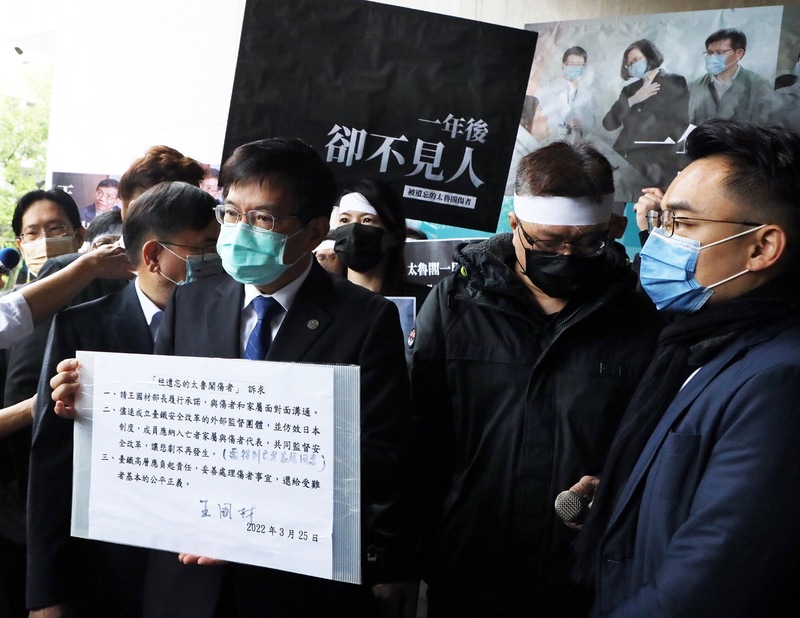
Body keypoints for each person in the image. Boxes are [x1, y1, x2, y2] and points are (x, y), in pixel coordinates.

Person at [45, 137, 416, 617]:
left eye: (262, 219)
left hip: (295, 586)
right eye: (232, 214)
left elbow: (378, 458)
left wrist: (253, 529)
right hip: (186, 577)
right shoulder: (191, 300)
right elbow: (166, 420)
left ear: (314, 230)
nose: (241, 231)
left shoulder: (364, 320)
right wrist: (95, 405)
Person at [408, 140, 661, 617]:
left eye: (586, 243)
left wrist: (613, 484)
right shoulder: (458, 303)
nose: (565, 255)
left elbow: (648, 438)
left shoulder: (638, 315)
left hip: (581, 571)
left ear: (614, 228)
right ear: (515, 225)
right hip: (469, 559)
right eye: (546, 242)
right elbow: (419, 432)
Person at [572, 119, 800, 616]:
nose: (660, 241)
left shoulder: (779, 380)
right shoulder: (698, 345)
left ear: (762, 247)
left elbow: (708, 583)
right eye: (662, 222)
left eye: (682, 224)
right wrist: (624, 490)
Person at [26, 182, 220, 618]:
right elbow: (52, 468)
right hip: (104, 570)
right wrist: (46, 595)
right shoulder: (82, 328)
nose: (218, 259)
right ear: (153, 256)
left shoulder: (233, 327)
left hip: (196, 571)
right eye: (205, 248)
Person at [602, 39, 689, 189]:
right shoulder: (629, 90)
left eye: (636, 59)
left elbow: (679, 122)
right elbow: (608, 124)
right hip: (624, 159)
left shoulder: (674, 81)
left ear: (650, 56)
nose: (632, 65)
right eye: (629, 63)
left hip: (657, 162)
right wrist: (632, 100)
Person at [333, 179, 430, 311]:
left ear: (394, 236)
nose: (353, 230)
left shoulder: (427, 302)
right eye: (344, 220)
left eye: (367, 220)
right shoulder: (318, 300)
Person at [688, 28, 774, 126]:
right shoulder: (695, 86)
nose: (712, 58)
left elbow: (765, 125)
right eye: (710, 53)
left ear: (739, 54)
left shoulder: (759, 85)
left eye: (719, 53)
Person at [12, 189, 86, 282]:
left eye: (55, 228)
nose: (45, 242)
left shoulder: (101, 287)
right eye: (32, 233)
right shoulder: (20, 292)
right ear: (21, 247)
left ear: (79, 236)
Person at [536, 46, 596, 140]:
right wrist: (565, 128)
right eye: (571, 64)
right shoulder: (548, 89)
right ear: (563, 65)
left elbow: (590, 123)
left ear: (584, 66)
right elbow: (539, 120)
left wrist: (582, 127)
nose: (575, 68)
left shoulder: (586, 95)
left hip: (574, 142)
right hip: (549, 140)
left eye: (579, 64)